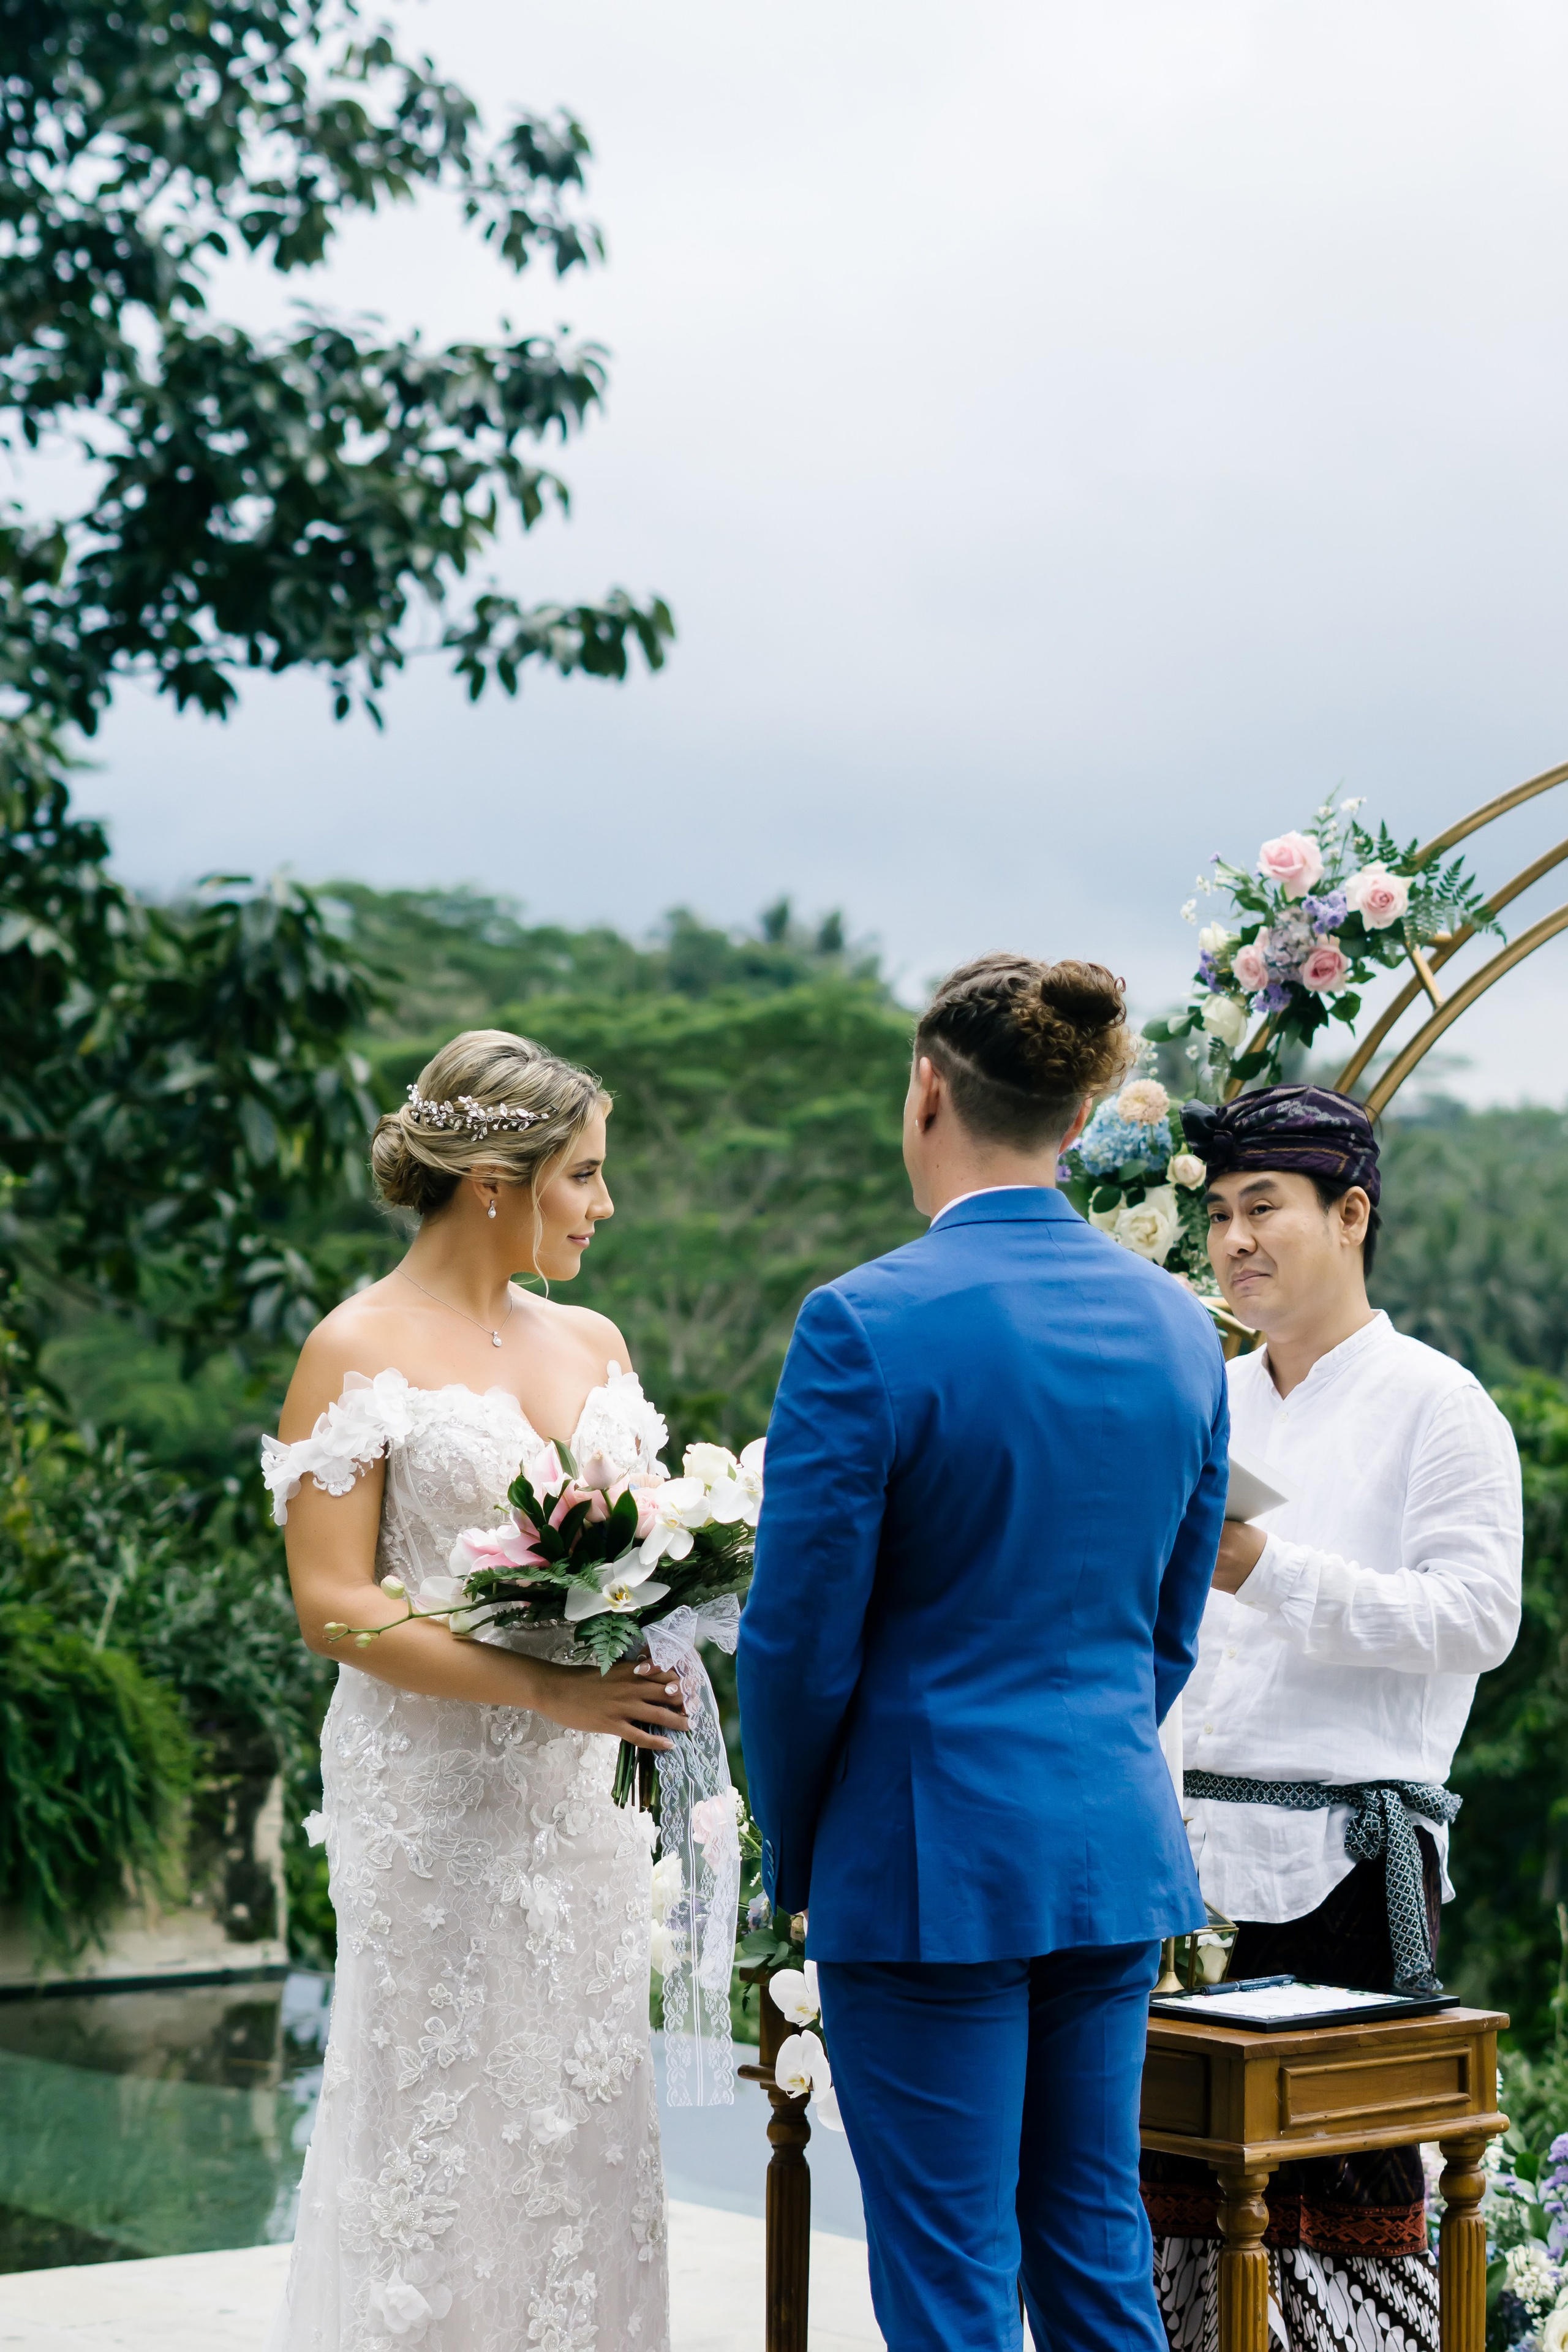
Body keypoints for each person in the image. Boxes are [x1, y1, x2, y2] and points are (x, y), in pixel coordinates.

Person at [737, 953, 1230, 2352]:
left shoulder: (862, 1322)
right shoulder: (1177, 1327)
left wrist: (803, 1841)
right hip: (1110, 1849)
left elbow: (793, 1644)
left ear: (924, 1092)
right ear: (1075, 1123)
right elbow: (1168, 1627)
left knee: (948, 2273)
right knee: (1093, 2246)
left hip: (924, 1852)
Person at [260, 1030, 685, 2352]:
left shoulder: (596, 1338)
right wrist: (540, 1693)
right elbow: (333, 1600)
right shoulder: (356, 1346)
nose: (603, 1208)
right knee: (441, 2110)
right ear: (496, 1179)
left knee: (580, 2111)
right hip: (434, 1800)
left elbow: (636, 1550)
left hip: (583, 1809)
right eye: (584, 1177)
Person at [1143, 1084, 1523, 2352]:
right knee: (1170, 2204)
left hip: (1350, 1865)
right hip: (1178, 1861)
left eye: (1263, 1209)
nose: (1233, 1241)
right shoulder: (1206, 1396)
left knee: (1328, 2209)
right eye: (1216, 1218)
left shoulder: (1436, 1402)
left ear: (1349, 1214)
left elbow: (1477, 1619)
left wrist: (1262, 1567)